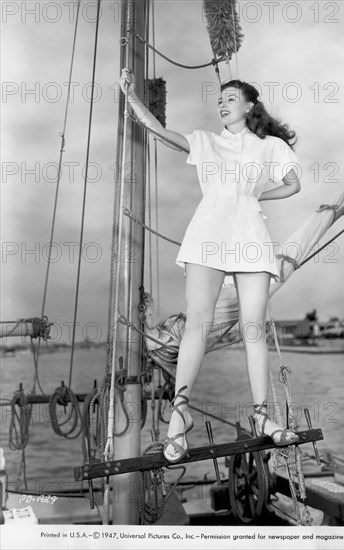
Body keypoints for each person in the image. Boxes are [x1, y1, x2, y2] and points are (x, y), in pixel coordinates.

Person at [119, 72, 301, 463]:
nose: (223, 103)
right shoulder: (207, 141)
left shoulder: (268, 146)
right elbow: (162, 133)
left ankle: (262, 418)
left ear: (250, 105)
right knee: (197, 326)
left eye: (231, 98)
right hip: (207, 236)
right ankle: (178, 420)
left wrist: (253, 194)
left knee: (254, 328)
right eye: (220, 99)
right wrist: (134, 99)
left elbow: (293, 183)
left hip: (251, 236)